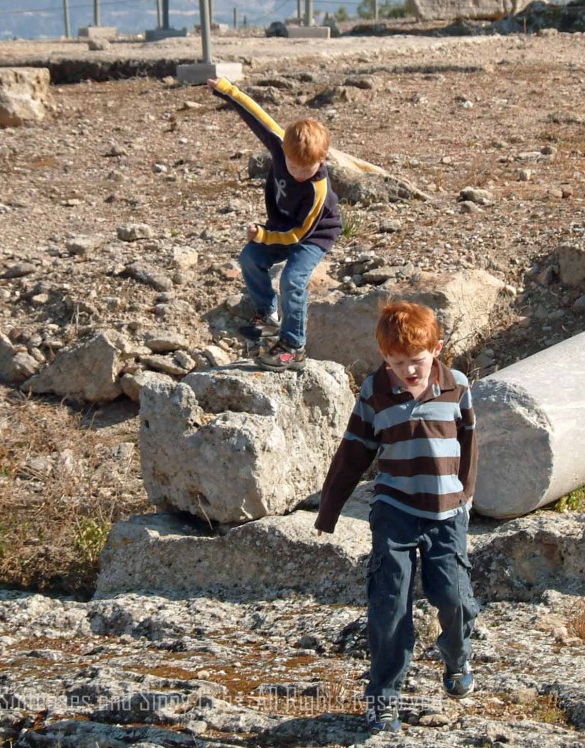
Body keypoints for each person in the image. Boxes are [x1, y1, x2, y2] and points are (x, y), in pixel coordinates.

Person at [315, 301, 480, 734]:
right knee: (389, 605)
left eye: (417, 361)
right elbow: (353, 452)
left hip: (447, 513)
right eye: (396, 362)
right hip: (395, 509)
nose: (408, 371)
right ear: (384, 357)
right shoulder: (374, 391)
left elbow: (470, 444)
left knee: (454, 597)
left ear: (437, 349)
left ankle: (457, 655)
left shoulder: (457, 386)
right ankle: (384, 696)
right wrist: (328, 510)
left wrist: (466, 496)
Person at [206, 77, 342, 372]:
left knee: (292, 281)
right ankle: (267, 315)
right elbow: (257, 116)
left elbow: (297, 235)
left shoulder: (317, 189)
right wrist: (226, 90)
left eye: (307, 170)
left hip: (312, 235)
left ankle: (294, 346)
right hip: (281, 227)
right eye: (293, 167)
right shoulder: (282, 145)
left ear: (323, 159)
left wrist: (264, 235)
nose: (298, 175)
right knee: (250, 258)